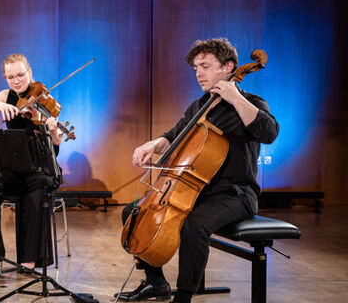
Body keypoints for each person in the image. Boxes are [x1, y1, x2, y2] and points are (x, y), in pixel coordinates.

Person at [117, 38, 279, 303]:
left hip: (235, 194)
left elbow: (269, 132)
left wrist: (235, 97)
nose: (198, 73)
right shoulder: (200, 106)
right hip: (199, 192)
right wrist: (154, 144)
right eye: (195, 68)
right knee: (132, 212)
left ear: (228, 67)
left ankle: (184, 296)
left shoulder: (250, 102)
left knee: (195, 225)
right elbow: (174, 134)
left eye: (205, 66)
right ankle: (156, 282)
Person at [0, 53, 64, 279]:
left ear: (29, 72)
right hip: (14, 166)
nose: (17, 80)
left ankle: (29, 261)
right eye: (10, 77)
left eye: (20, 75)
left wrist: (52, 129)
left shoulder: (44, 99)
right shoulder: (6, 95)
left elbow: (58, 140)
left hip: (40, 168)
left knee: (38, 184)